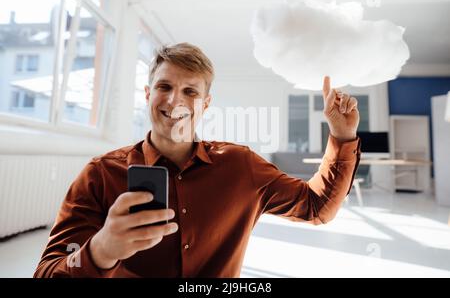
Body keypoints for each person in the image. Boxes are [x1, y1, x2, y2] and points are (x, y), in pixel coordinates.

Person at [34, 43, 361, 278]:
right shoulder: (101, 174)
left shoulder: (239, 165)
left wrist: (342, 137)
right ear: (148, 95)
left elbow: (317, 207)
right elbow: (48, 272)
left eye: (190, 91)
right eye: (164, 86)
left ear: (206, 104)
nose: (175, 100)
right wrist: (99, 251)